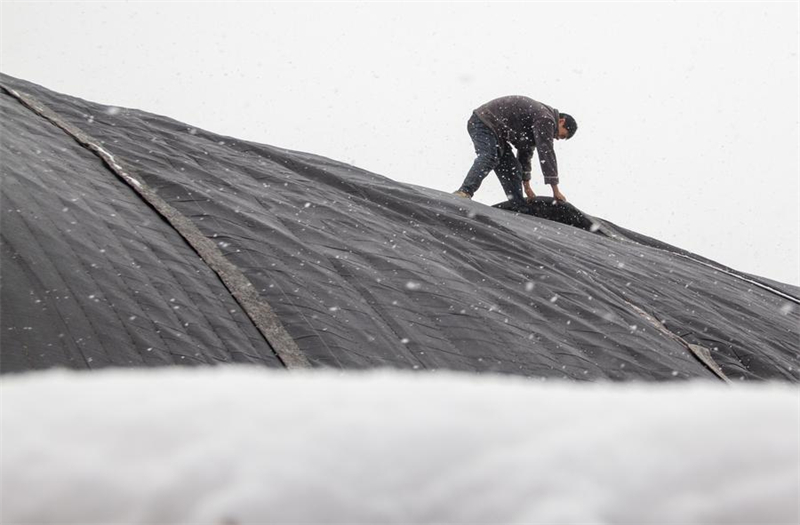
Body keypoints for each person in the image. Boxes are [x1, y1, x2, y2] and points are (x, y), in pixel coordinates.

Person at [453, 96, 577, 202]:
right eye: (561, 135)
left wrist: (527, 187)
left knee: (512, 168)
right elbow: (546, 153)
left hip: (497, 134)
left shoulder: (538, 124)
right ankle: (464, 192)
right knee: (490, 156)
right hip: (483, 122)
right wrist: (555, 191)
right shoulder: (546, 119)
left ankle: (517, 206)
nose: (557, 138)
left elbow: (525, 153)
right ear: (561, 121)